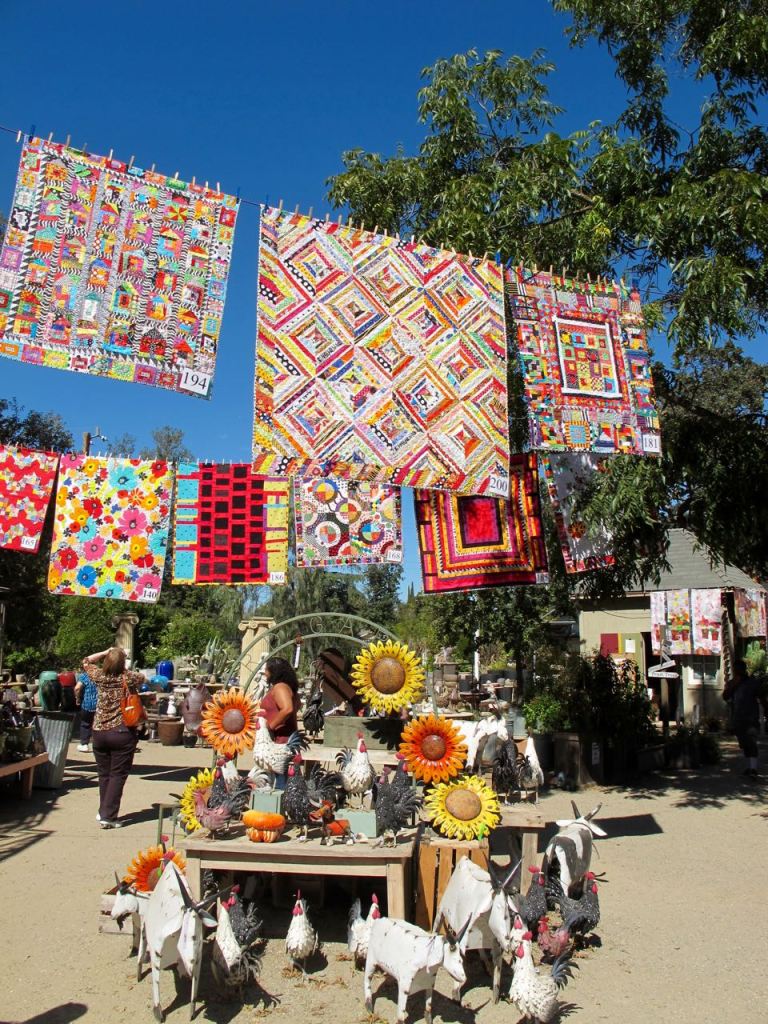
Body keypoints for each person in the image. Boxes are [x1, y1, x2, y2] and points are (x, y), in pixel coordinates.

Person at [84, 646, 145, 827]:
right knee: (117, 775)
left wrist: (105, 652)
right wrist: (124, 664)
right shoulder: (129, 677)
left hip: (99, 732)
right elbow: (144, 678)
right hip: (121, 732)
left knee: (104, 774)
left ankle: (103, 810)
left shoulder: (99, 676)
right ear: (123, 663)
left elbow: (86, 661)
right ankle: (108, 816)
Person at [723, 658, 767, 778]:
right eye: (735, 670)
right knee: (744, 743)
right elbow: (725, 697)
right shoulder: (732, 683)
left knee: (751, 742)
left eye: (739, 669)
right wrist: (733, 686)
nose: (737, 672)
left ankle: (753, 768)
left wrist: (766, 710)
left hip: (751, 718)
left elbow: (762, 697)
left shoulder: (753, 683)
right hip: (738, 718)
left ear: (744, 669)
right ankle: (749, 766)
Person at [259, 656, 300, 743]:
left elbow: (287, 709)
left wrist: (270, 727)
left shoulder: (280, 687)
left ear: (274, 671)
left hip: (280, 740)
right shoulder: (286, 687)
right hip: (282, 738)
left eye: (266, 670)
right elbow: (297, 705)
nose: (265, 673)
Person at [74, 658, 98, 752]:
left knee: (85, 724)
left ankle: (84, 744)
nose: (84, 665)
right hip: (99, 704)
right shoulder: (101, 675)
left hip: (87, 704)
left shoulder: (84, 676)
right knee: (98, 725)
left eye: (86, 663)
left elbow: (77, 688)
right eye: (84, 663)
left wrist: (77, 698)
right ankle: (98, 744)